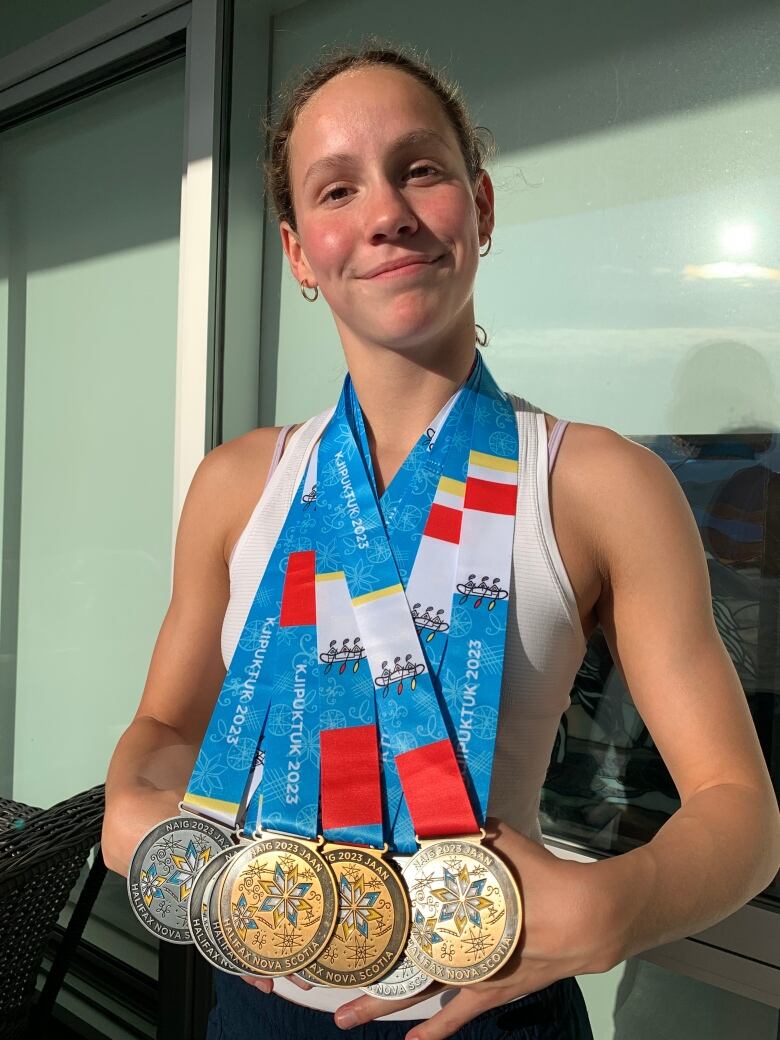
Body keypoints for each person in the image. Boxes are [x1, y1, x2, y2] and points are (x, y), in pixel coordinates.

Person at [102, 44, 780, 1040]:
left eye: (420, 168)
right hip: (253, 1000)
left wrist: (616, 905)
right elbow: (165, 720)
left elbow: (744, 809)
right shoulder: (236, 483)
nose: (386, 212)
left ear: (484, 205)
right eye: (338, 188)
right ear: (298, 252)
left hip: (491, 1008)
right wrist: (132, 794)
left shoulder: (597, 485)